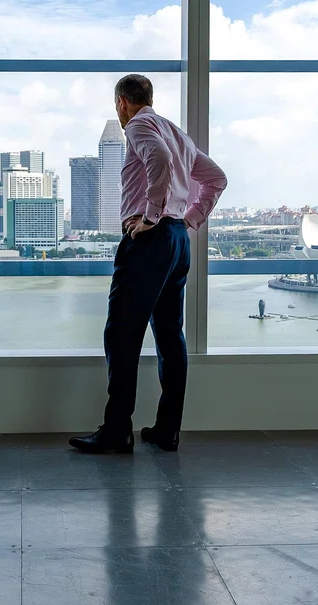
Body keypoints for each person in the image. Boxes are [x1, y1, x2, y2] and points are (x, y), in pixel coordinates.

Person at [69, 74, 228, 454]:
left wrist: (152, 217)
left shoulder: (139, 124)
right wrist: (189, 220)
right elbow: (217, 179)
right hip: (176, 243)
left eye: (117, 106)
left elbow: (156, 159)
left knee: (121, 334)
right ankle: (167, 429)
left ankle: (116, 431)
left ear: (122, 101)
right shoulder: (177, 133)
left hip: (151, 241)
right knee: (170, 336)